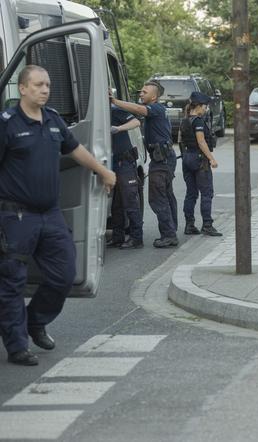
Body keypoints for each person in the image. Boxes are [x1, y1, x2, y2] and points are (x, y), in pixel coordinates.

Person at [0, 65, 116, 366]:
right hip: (17, 215)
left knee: (65, 273)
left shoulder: (52, 120)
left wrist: (102, 170)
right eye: (38, 85)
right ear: (22, 89)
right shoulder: (7, 123)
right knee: (12, 281)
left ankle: (34, 321)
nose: (45, 89)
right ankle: (16, 347)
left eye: (47, 85)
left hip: (49, 215)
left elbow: (75, 149)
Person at [111, 81, 179, 248]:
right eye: (141, 91)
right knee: (167, 196)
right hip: (162, 158)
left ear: (154, 96)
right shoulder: (155, 110)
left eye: (144, 92)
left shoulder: (156, 108)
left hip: (162, 160)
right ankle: (171, 232)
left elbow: (139, 111)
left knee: (157, 198)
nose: (141, 94)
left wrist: (114, 101)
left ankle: (169, 235)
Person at [179, 92, 222, 236]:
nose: (206, 109)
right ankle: (207, 225)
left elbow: (181, 141)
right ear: (198, 106)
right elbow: (201, 141)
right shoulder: (197, 121)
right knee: (206, 193)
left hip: (187, 158)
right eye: (205, 106)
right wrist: (211, 159)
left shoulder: (184, 120)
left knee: (191, 194)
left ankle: (189, 225)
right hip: (199, 159)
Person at [106, 100, 143, 249]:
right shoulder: (99, 112)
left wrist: (118, 128)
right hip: (113, 162)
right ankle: (117, 237)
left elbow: (136, 122)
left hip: (124, 161)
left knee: (130, 201)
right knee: (117, 203)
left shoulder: (115, 110)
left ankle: (136, 238)